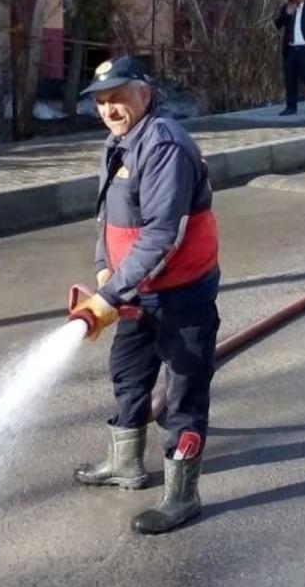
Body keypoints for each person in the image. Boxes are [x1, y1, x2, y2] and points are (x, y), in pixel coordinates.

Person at [69, 57, 221, 535]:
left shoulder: (164, 146)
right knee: (128, 376)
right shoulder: (117, 145)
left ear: (145, 95)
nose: (109, 108)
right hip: (136, 290)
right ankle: (125, 465)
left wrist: (112, 293)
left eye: (118, 97)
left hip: (181, 294)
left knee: (182, 393)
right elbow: (107, 219)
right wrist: (102, 270)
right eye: (101, 101)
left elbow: (162, 235)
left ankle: (182, 496)